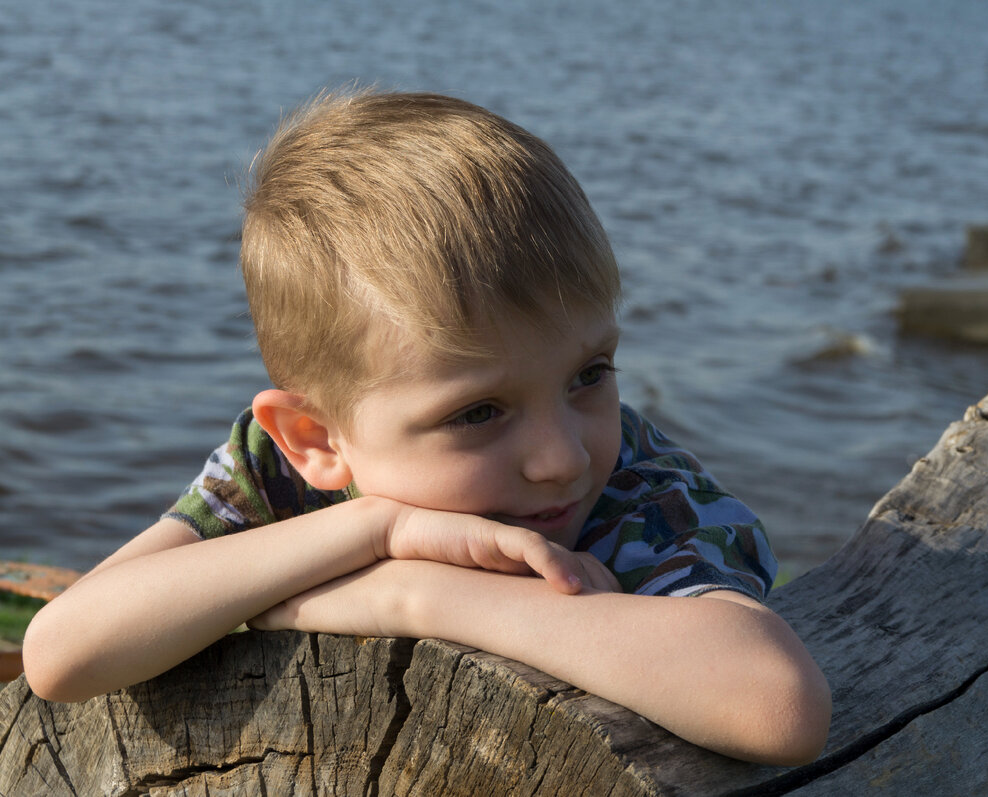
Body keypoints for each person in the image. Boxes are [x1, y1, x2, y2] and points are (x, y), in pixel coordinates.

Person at [22, 89, 831, 765]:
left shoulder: (638, 489)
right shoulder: (274, 468)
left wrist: (416, 594)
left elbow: (778, 706)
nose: (562, 455)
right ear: (316, 438)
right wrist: (377, 528)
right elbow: (63, 652)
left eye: (589, 375)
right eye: (478, 412)